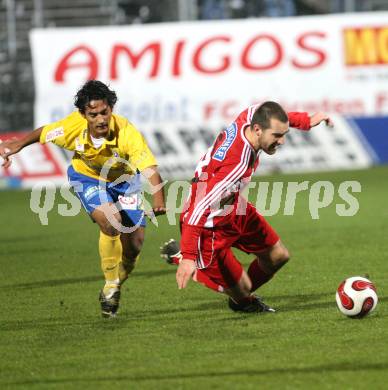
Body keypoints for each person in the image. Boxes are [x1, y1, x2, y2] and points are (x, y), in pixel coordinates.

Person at [0, 80, 166, 318]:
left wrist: (159, 199)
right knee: (110, 220)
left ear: (111, 109)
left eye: (104, 112)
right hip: (88, 178)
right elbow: (45, 132)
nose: (100, 119)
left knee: (134, 247)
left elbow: (149, 168)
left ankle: (117, 280)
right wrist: (19, 144)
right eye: (93, 114)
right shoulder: (72, 126)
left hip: (125, 182)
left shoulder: (127, 133)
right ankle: (110, 287)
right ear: (83, 114)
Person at [161, 101, 332, 313]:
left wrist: (305, 121)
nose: (282, 141)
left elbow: (267, 111)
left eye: (284, 133)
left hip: (234, 207)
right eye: (277, 136)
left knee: (278, 256)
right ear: (258, 130)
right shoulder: (237, 164)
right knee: (243, 292)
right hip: (208, 226)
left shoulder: (248, 117)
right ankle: (186, 259)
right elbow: (199, 206)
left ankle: (239, 291)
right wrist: (188, 255)